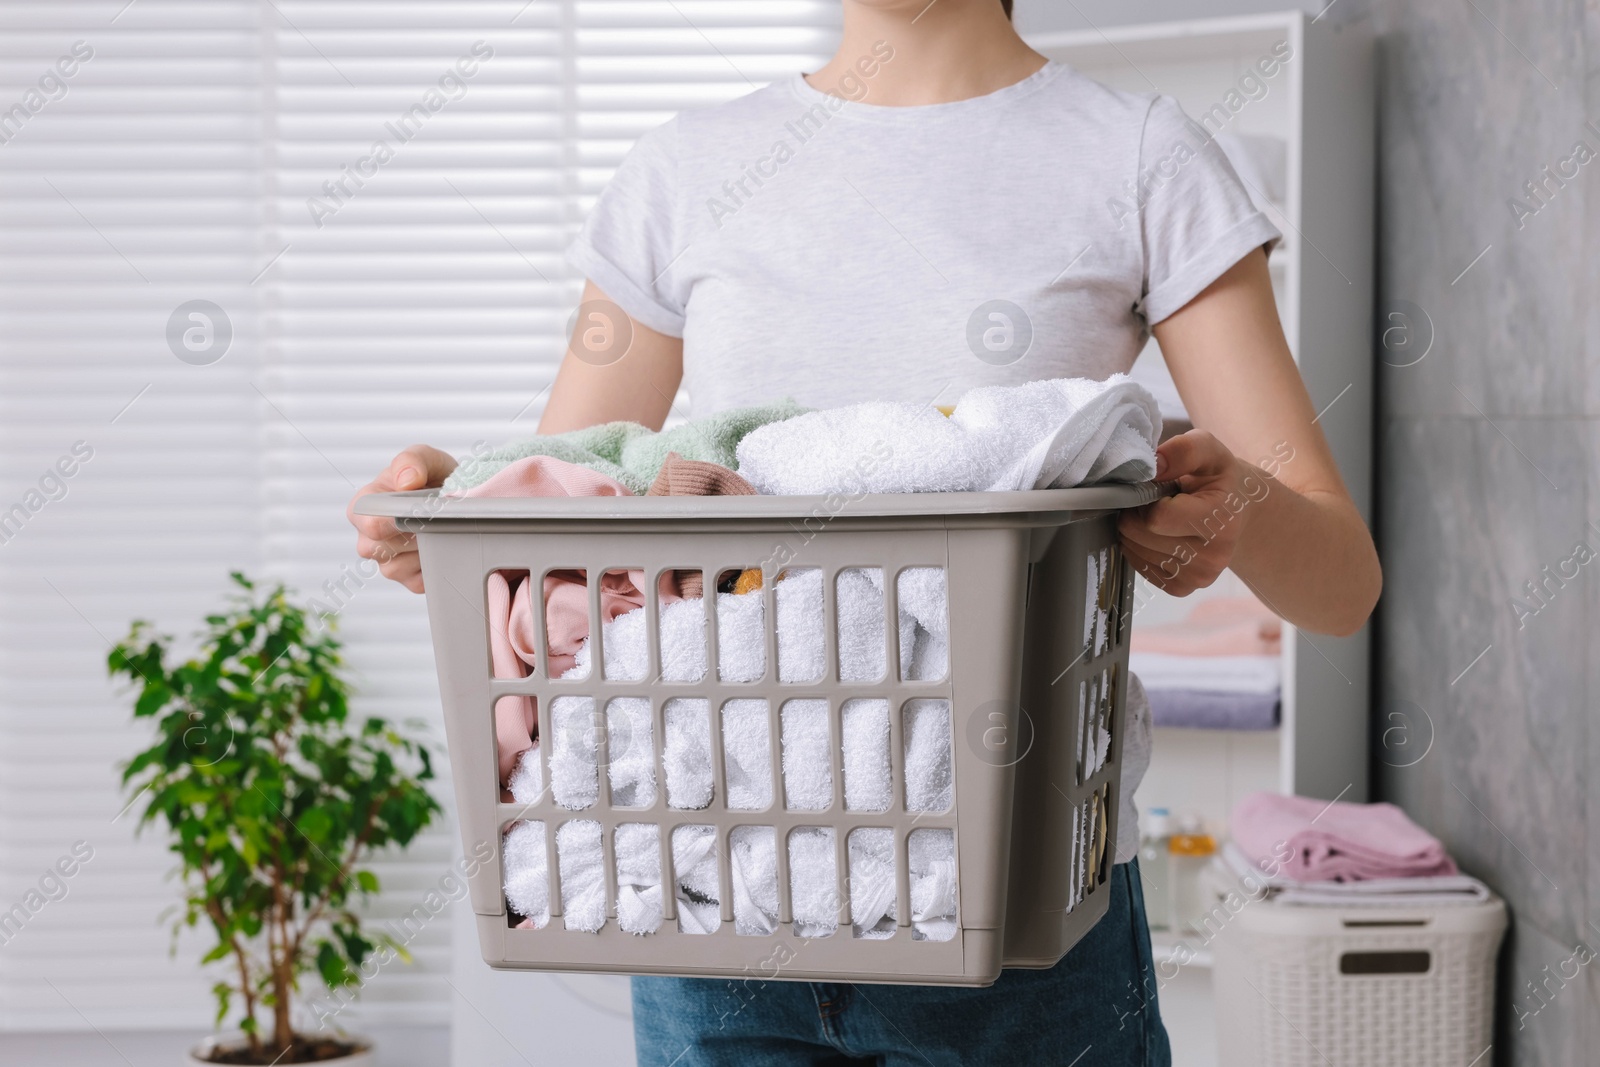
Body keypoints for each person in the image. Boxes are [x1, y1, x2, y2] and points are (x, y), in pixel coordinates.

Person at [348, 0, 1381, 1062]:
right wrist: (449, 507)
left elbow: (1340, 584)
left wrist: (1232, 507)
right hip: (711, 906)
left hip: (1016, 917)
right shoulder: (681, 172)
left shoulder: (1140, 156)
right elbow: (565, 514)